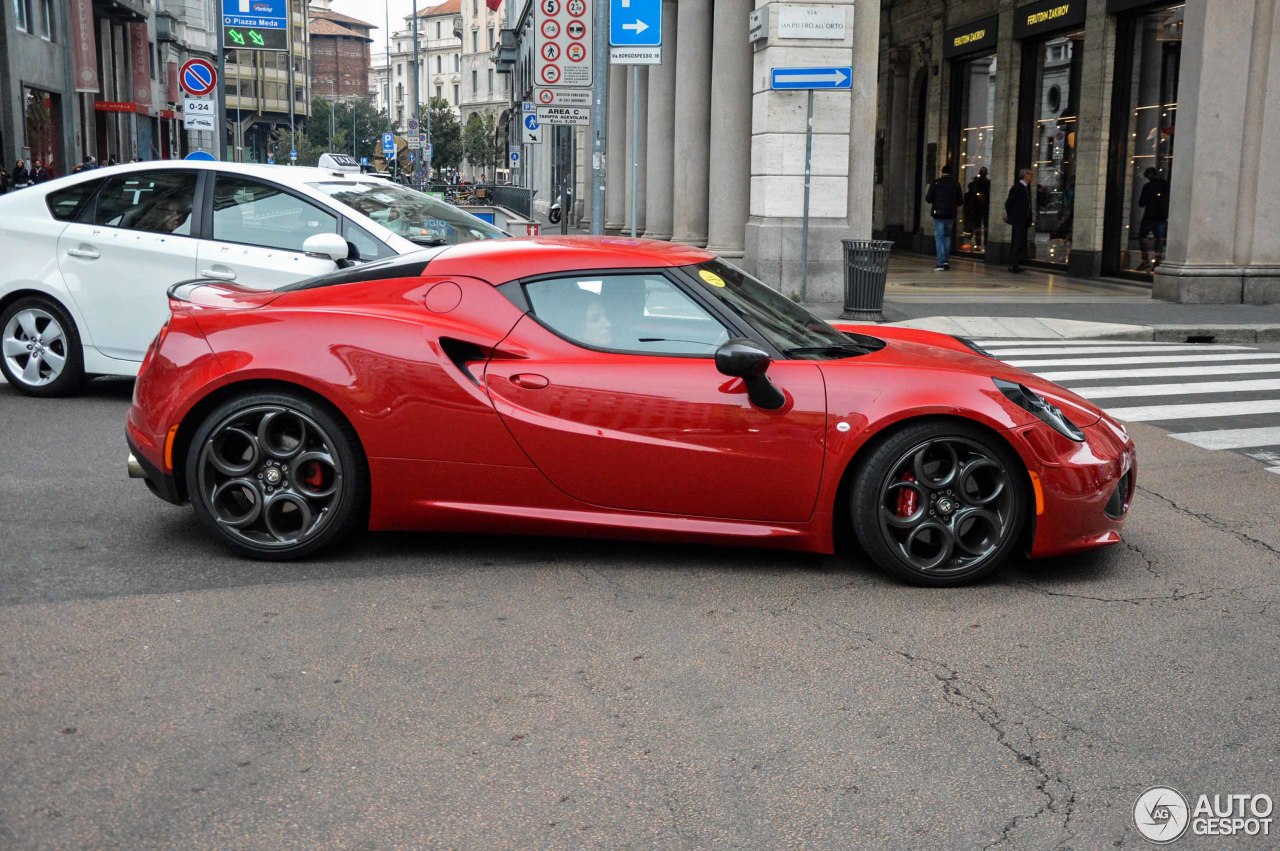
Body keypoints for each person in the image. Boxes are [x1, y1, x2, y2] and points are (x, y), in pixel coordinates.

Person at [925, 164, 964, 271]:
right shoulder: (956, 184)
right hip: (950, 213)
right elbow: (960, 201)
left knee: (939, 237)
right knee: (947, 237)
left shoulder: (936, 182)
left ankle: (940, 263)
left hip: (938, 214)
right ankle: (946, 260)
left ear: (942, 172)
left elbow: (928, 198)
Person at [1137, 167, 1170, 272]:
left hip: (1149, 215)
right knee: (1159, 238)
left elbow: (1141, 203)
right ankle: (1158, 260)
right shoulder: (1165, 185)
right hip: (1161, 216)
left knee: (1143, 237)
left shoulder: (1148, 186)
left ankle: (1145, 260)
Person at [1004, 168, 1035, 273]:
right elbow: (1009, 203)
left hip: (1025, 219)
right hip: (1018, 219)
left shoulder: (1027, 187)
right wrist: (1010, 215)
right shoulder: (1017, 187)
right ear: (1024, 175)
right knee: (1017, 241)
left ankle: (1016, 263)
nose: (1032, 176)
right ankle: (1013, 264)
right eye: (1030, 174)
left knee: (1020, 241)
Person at [964, 166, 991, 251]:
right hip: (977, 207)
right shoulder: (975, 183)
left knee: (984, 225)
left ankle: (984, 243)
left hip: (984, 207)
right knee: (977, 225)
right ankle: (978, 243)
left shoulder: (987, 183)